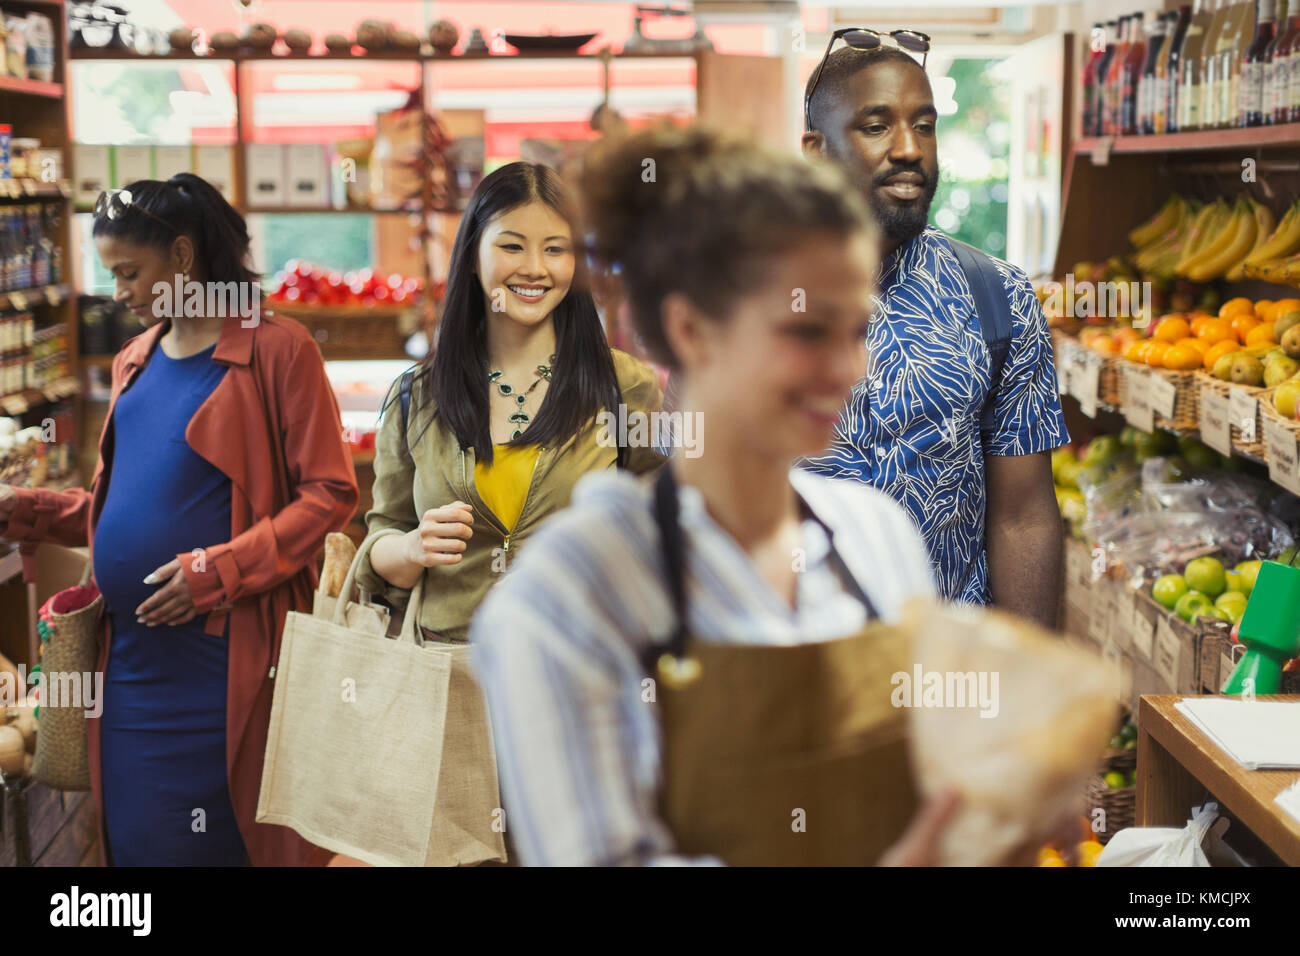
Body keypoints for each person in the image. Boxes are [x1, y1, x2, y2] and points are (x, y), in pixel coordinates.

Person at [470, 126, 976, 866]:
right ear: (690, 328)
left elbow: (931, 782)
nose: (848, 369)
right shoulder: (567, 598)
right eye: (807, 330)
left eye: (858, 328)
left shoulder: (878, 539)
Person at [0, 173, 358, 866]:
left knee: (235, 841)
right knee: (138, 843)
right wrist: (29, 510)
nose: (118, 292)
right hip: (132, 668)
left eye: (130, 272)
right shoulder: (134, 361)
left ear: (185, 257)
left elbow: (329, 495)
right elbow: (122, 508)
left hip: (230, 662)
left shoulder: (276, 351)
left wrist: (218, 570)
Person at [352, 161, 665, 864]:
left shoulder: (626, 389)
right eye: (512, 245)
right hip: (450, 691)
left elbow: (666, 529)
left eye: (556, 248)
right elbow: (380, 536)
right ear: (474, 256)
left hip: (581, 684)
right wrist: (408, 551)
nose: (535, 267)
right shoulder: (416, 397)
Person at [800, 35, 1069, 629]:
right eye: (876, 126)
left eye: (924, 126)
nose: (908, 149)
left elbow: (1023, 515)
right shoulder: (736, 300)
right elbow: (692, 497)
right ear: (816, 151)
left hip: (948, 683)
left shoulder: (999, 298)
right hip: (796, 684)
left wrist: (1029, 684)